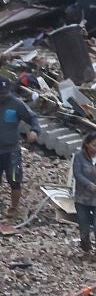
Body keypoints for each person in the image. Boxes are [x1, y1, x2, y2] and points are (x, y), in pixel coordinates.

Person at [0, 79, 39, 225]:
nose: (2, 96)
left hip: (11, 150)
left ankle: (14, 207)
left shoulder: (16, 104)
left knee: (15, 180)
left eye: (4, 93)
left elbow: (32, 118)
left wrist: (34, 131)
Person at [71, 131, 96, 255]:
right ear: (87, 145)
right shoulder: (79, 157)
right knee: (84, 225)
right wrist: (88, 184)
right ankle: (86, 246)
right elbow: (77, 174)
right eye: (94, 145)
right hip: (82, 198)